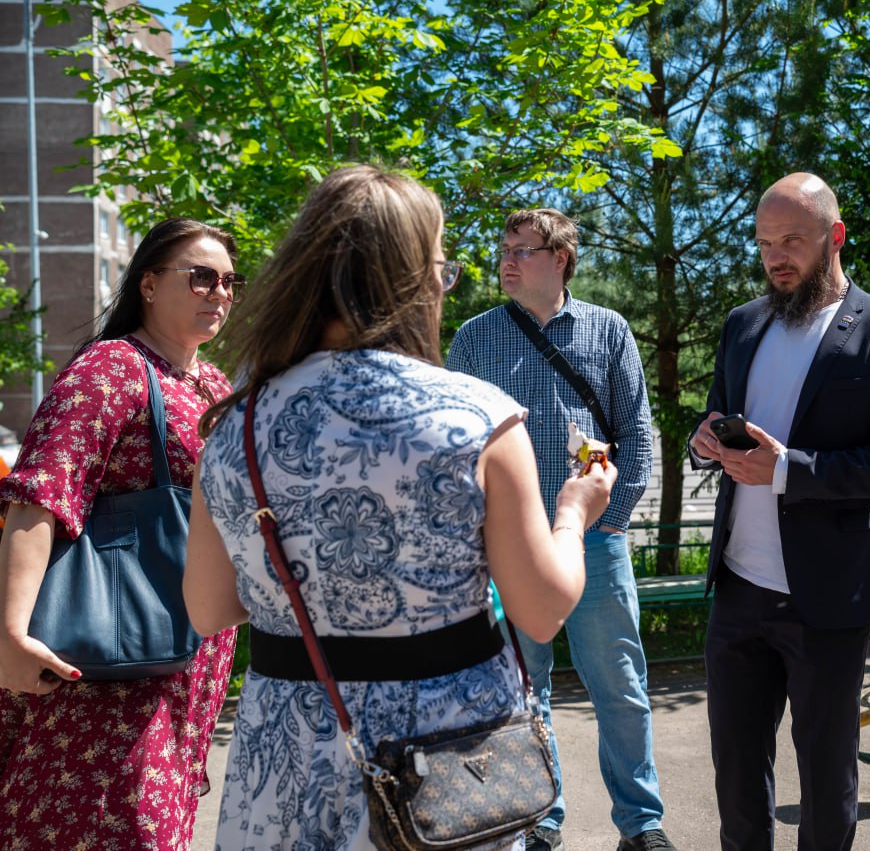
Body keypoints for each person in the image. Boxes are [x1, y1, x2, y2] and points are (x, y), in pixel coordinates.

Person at [183, 165, 614, 850]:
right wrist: (574, 511)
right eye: (439, 271)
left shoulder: (233, 425)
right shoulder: (480, 419)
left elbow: (209, 609)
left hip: (287, 760)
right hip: (444, 772)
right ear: (410, 279)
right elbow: (541, 606)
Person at [688, 172, 870, 850]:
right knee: (736, 776)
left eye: (792, 239)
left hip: (828, 593)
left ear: (835, 237)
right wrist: (703, 440)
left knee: (826, 782)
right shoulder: (744, 324)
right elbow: (715, 417)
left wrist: (789, 471)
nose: (777, 256)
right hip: (738, 587)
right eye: (766, 242)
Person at [0, 218, 241, 848]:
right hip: (112, 664)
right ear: (150, 284)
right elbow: (39, 500)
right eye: (201, 276)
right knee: (109, 824)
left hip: (186, 662)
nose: (218, 292)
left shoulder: (210, 383)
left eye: (228, 281)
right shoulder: (110, 370)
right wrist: (8, 635)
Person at [446, 208, 671, 851]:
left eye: (524, 249)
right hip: (510, 548)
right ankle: (540, 819)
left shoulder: (608, 329)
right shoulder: (474, 338)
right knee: (524, 692)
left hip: (595, 544)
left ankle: (642, 824)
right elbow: (459, 447)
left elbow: (635, 439)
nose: (507, 260)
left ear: (561, 258)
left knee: (620, 690)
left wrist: (607, 522)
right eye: (503, 248)